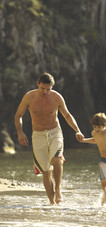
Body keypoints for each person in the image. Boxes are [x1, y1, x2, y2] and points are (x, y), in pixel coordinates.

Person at [15, 72, 84, 205]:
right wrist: (20, 133)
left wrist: (77, 130)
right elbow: (18, 115)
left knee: (57, 159)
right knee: (46, 171)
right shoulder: (29, 97)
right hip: (38, 135)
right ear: (37, 84)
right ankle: (52, 203)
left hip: (55, 132)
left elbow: (67, 115)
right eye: (43, 88)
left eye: (49, 89)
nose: (45, 92)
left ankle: (58, 190)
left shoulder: (57, 97)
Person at [78, 112, 106, 206]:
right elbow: (96, 140)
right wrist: (84, 140)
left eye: (99, 127)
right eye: (94, 127)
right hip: (103, 160)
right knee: (104, 182)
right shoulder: (94, 133)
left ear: (104, 125)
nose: (96, 129)